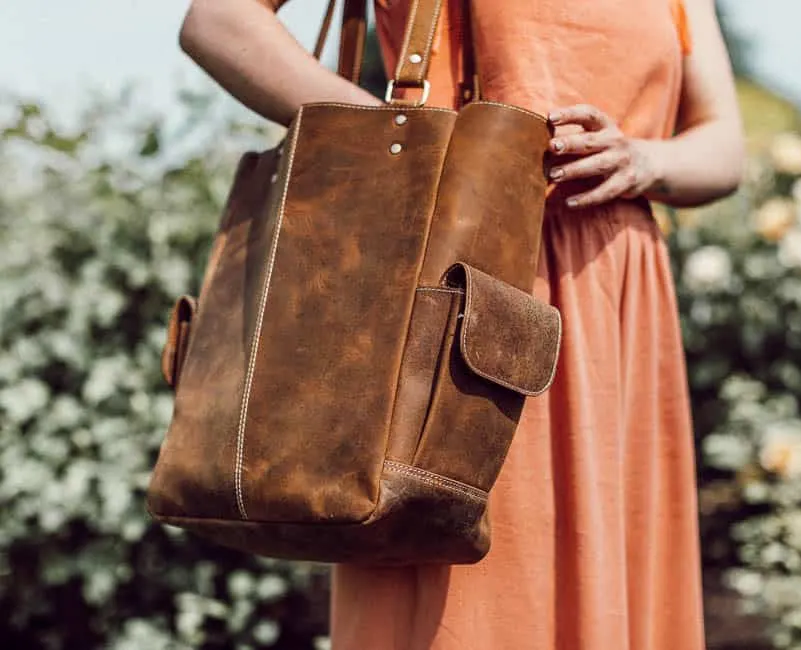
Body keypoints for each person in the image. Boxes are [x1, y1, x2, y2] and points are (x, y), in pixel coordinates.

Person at [178, 0, 744, 648]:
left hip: (619, 302)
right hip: (471, 287)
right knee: (481, 592)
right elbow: (218, 21)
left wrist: (642, 160)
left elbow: (722, 144)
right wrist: (406, 141)